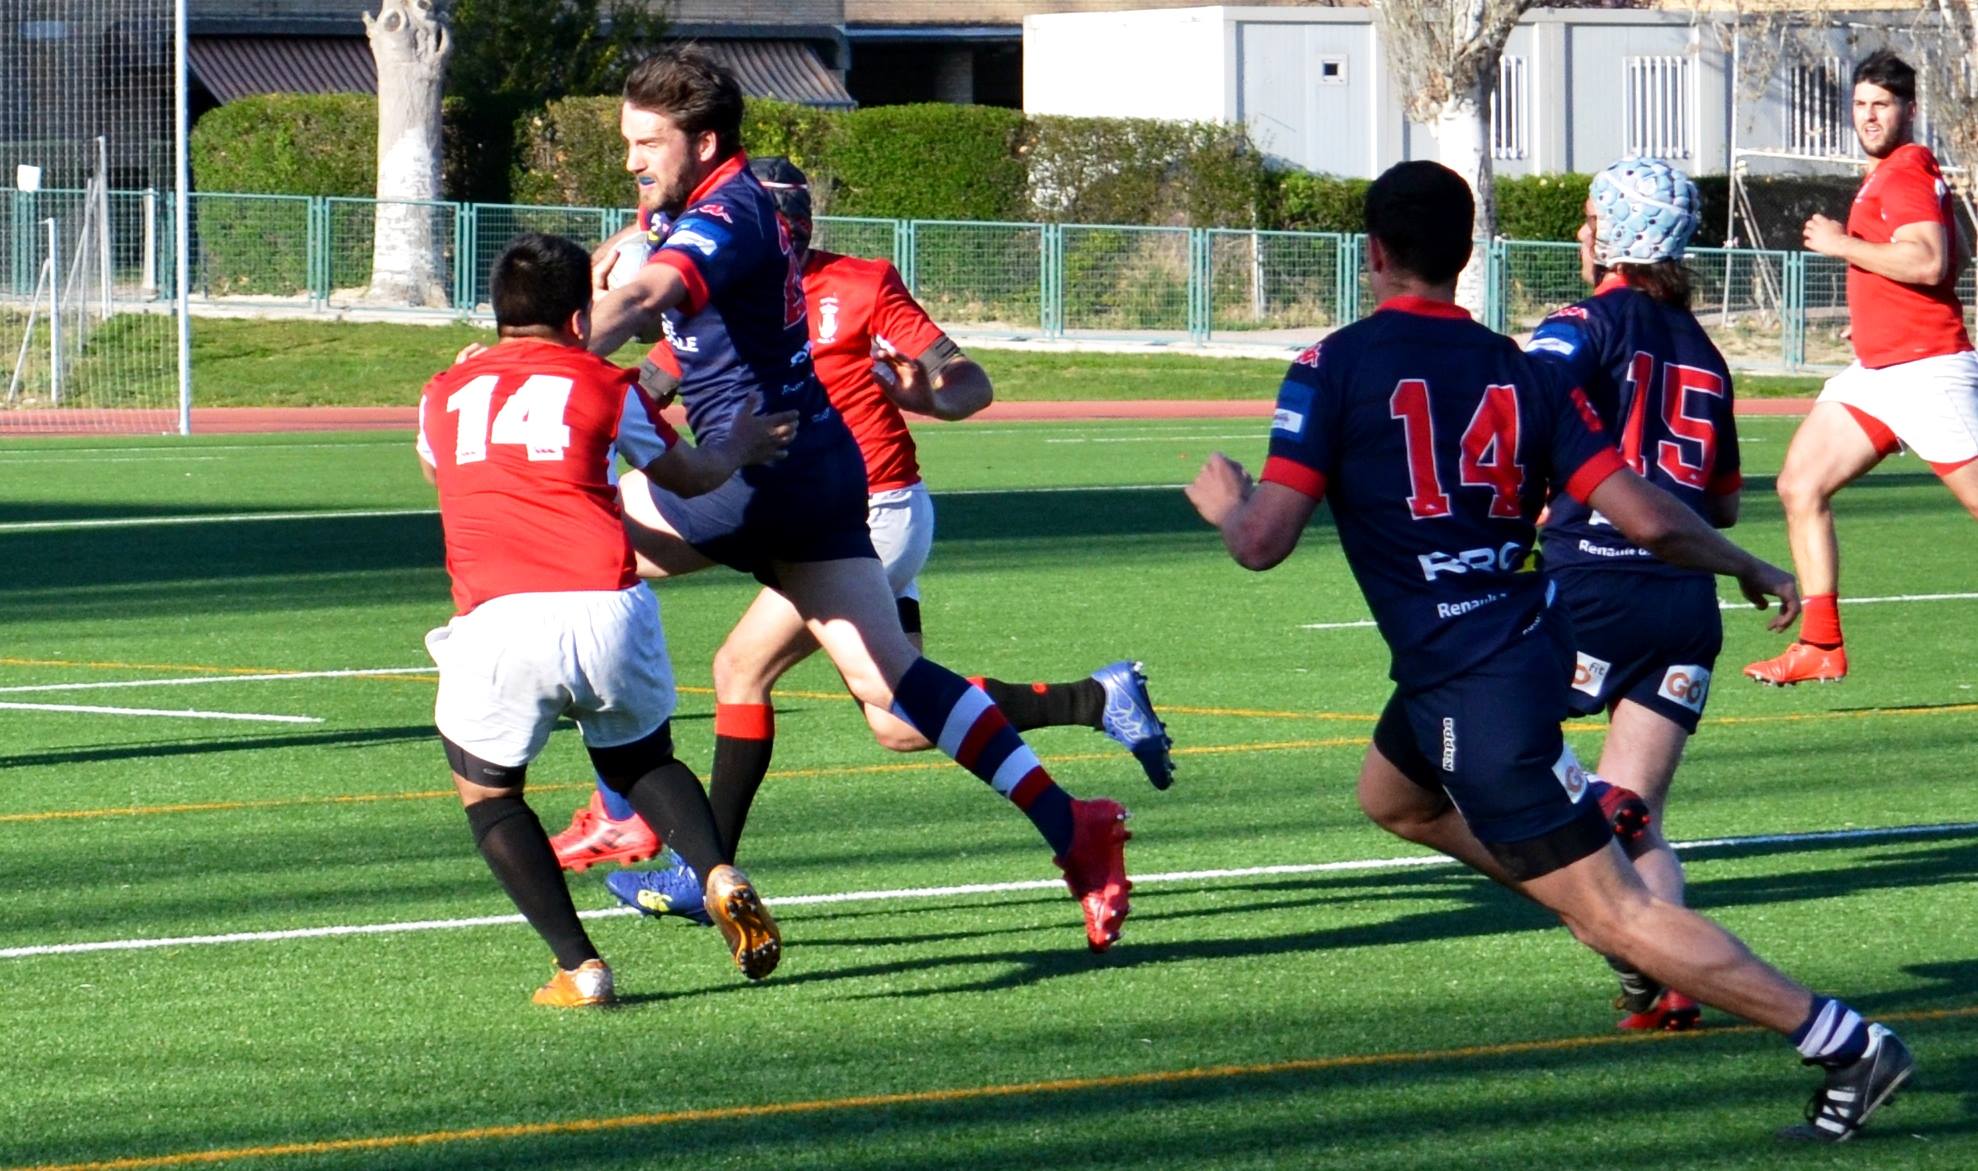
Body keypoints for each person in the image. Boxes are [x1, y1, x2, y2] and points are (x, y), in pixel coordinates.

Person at [1185, 161, 1913, 1142]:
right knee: (1391, 797)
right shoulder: (1518, 370)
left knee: (1615, 914)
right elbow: (1652, 518)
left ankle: (1843, 1042)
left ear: (1372, 254)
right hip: (1516, 645)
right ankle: (1580, 835)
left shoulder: (1333, 365)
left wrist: (1226, 501)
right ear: (1469, 253)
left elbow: (1262, 544)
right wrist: (1747, 563)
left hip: (1472, 682)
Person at [575, 49, 1133, 952]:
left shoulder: (730, 211)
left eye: (648, 141)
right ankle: (1075, 828)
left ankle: (632, 809)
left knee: (579, 553)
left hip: (754, 473)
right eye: (628, 140)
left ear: (706, 139)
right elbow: (645, 281)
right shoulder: (684, 199)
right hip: (820, 468)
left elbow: (647, 292)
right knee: (891, 684)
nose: (633, 159)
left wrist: (538, 348)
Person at [416, 232, 792, 1002]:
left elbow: (437, 465)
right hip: (605, 604)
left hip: (500, 614)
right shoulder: (607, 385)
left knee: (490, 796)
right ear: (581, 319)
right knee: (640, 761)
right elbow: (687, 477)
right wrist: (743, 445)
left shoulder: (442, 391)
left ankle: (579, 966)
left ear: (497, 314)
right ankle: (718, 870)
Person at [1522, 158, 1741, 1030]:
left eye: (1588, 218)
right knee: (1642, 818)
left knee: (1474, 761)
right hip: (1686, 603)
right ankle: (1673, 973)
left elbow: (1524, 402)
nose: (1580, 233)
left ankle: (1636, 938)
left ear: (1615, 231)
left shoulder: (1581, 324)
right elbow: (1719, 502)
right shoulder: (1708, 351)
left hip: (1593, 586)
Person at [1745, 50, 1978, 685]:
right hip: (1880, 371)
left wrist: (1838, 243)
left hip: (1927, 371)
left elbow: (1928, 262)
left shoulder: (1903, 173)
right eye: (1860, 105)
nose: (1869, 116)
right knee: (1799, 484)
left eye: (1882, 104)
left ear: (1909, 109)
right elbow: (1939, 259)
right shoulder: (1906, 174)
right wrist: (1875, 315)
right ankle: (1821, 646)